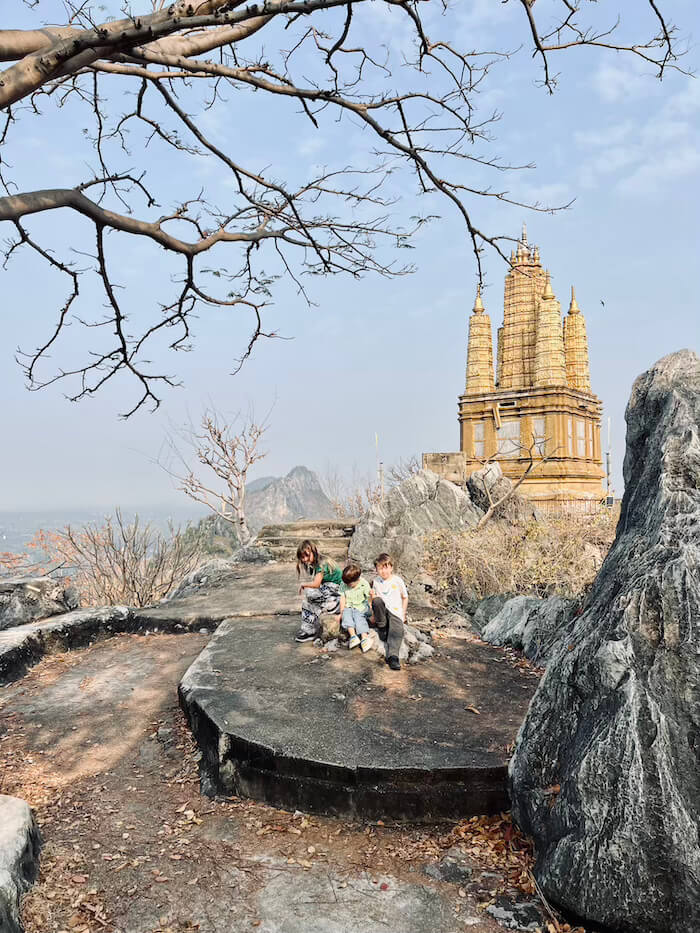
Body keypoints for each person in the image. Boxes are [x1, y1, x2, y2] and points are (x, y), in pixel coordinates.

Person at [295, 539, 342, 642]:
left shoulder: (321, 563)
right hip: (328, 588)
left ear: (313, 551)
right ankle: (309, 631)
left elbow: (316, 584)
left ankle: (333, 605)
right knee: (307, 602)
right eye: (302, 557)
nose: (304, 559)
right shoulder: (316, 563)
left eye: (306, 556)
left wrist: (304, 585)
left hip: (336, 590)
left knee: (310, 593)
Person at [370, 552, 407, 671]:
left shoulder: (397, 580)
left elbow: (405, 597)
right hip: (383, 612)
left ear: (391, 567)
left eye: (385, 568)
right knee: (377, 601)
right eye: (380, 569)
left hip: (395, 611)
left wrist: (403, 614)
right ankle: (382, 628)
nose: (383, 571)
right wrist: (372, 614)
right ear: (376, 569)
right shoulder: (376, 581)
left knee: (397, 630)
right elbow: (373, 600)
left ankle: (393, 656)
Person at [338, 563, 373, 652]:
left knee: (358, 617)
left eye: (350, 583)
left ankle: (364, 637)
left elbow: (369, 598)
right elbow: (342, 597)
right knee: (346, 615)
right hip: (349, 606)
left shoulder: (363, 584)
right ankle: (353, 636)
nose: (348, 585)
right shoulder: (343, 584)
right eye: (347, 583)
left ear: (357, 579)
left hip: (361, 606)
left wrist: (371, 609)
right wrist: (341, 611)